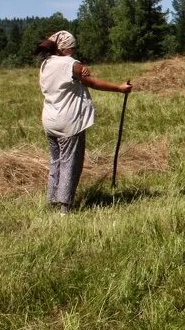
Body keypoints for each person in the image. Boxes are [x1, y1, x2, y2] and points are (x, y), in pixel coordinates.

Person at [35, 30, 132, 215]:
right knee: (71, 163)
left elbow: (71, 79)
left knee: (55, 162)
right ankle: (65, 208)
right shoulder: (72, 64)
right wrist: (120, 88)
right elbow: (93, 83)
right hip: (68, 121)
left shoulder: (45, 63)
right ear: (65, 47)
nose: (74, 50)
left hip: (49, 121)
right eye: (72, 47)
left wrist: (80, 69)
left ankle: (52, 201)